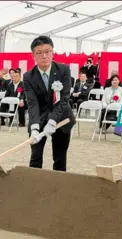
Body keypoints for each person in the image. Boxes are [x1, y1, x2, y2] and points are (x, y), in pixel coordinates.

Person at [23, 36, 75, 172]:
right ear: (33, 55)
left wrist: (52, 121)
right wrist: (34, 127)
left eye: (48, 51)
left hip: (62, 118)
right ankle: (34, 185)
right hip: (39, 117)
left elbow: (64, 99)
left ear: (53, 52)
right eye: (39, 53)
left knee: (59, 157)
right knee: (35, 156)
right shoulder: (28, 76)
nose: (44, 56)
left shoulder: (64, 70)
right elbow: (32, 103)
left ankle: (58, 188)